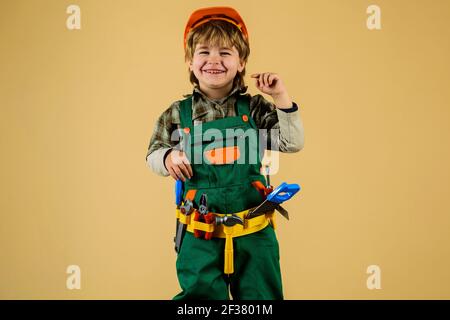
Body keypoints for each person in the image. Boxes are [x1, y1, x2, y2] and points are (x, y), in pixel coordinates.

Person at [145, 6, 304, 300]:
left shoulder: (255, 109)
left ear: (241, 62)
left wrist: (280, 96)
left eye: (225, 53)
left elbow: (290, 142)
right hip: (200, 233)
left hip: (254, 232)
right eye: (204, 52)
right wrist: (167, 158)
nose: (213, 60)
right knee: (201, 299)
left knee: (262, 298)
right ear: (190, 62)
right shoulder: (177, 115)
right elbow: (153, 154)